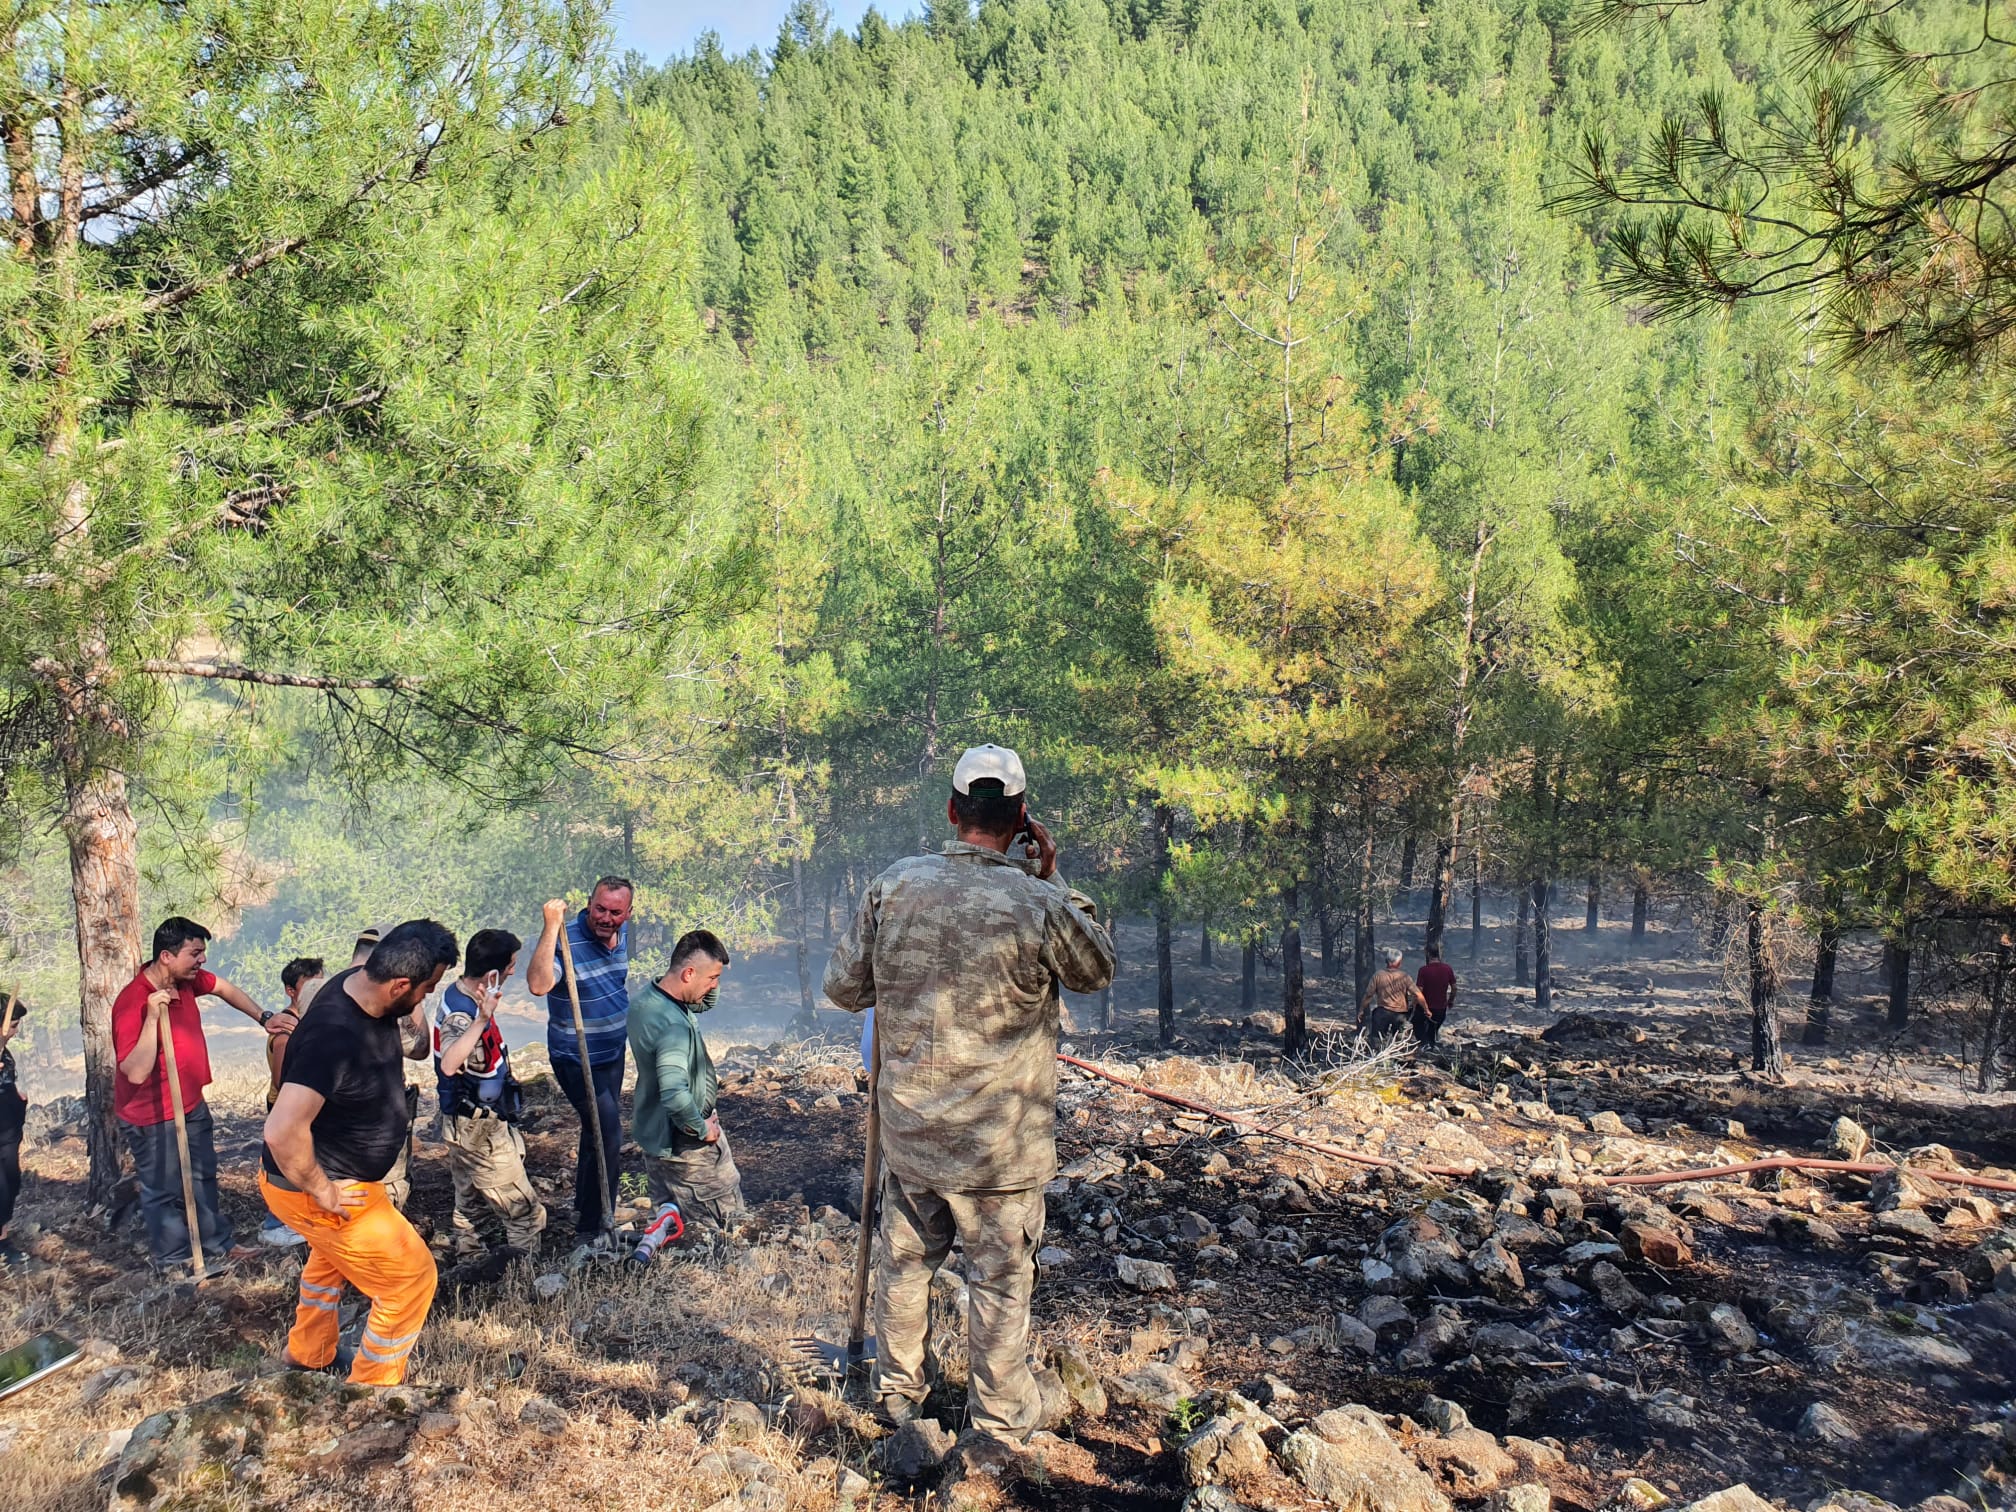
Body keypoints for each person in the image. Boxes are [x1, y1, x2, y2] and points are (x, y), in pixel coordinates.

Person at [823, 743, 1116, 1446]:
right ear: (1021, 819)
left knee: (905, 1270)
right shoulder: (1040, 901)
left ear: (953, 811)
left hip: (914, 1135)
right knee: (1000, 1284)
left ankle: (898, 1403)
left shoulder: (893, 886)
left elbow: (842, 988)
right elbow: (1096, 968)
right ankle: (997, 1422)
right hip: (1000, 1150)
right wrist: (1055, 877)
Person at [260, 920, 458, 1387]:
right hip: (319, 1186)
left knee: (329, 1261)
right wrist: (323, 1191)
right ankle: (372, 1391)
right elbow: (282, 1130)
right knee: (411, 1278)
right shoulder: (335, 1034)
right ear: (400, 984)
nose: (426, 998)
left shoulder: (359, 983)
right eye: (427, 989)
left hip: (344, 1178)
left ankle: (308, 1355)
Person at [112, 917, 288, 1274]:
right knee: (162, 1189)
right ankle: (175, 1259)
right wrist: (150, 1018)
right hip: (150, 1115)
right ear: (166, 956)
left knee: (203, 1174)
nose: (202, 961)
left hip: (190, 1103)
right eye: (195, 953)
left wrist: (263, 1017)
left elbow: (223, 987)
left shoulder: (187, 981)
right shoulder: (131, 1002)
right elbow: (135, 1071)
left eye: (202, 952)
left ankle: (217, 1243)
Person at [526, 878, 634, 1240]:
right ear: (590, 904)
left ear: (628, 914)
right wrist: (551, 926)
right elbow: (539, 984)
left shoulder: (623, 934)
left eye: (615, 912)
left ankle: (585, 1208)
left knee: (596, 1132)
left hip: (612, 1052)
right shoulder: (565, 940)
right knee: (609, 1132)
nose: (605, 918)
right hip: (576, 1056)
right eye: (599, 908)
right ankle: (595, 1225)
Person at [434, 929, 545, 1258]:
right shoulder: (463, 1012)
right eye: (510, 966)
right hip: (477, 1128)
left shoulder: (466, 996)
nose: (514, 971)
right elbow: (450, 1063)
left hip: (468, 1120)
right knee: (525, 1212)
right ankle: (526, 1282)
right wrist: (482, 1019)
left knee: (469, 1204)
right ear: (492, 974)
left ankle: (471, 1261)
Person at [629, 929, 745, 1243]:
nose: (714, 986)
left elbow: (701, 1002)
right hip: (688, 1151)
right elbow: (674, 1092)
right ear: (688, 973)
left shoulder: (649, 1000)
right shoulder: (673, 1026)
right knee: (724, 1231)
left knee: (667, 1230)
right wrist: (700, 1128)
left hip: (657, 1137)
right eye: (712, 979)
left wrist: (716, 968)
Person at [260, 957, 326, 1247]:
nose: (317, 989)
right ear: (290, 990)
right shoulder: (286, 1031)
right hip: (287, 1108)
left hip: (302, 1107)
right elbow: (281, 1080)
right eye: (309, 984)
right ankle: (276, 1225)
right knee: (285, 1167)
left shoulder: (310, 1021)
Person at [1358, 946, 1428, 1046]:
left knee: (1377, 1039)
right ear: (1399, 963)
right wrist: (1426, 1009)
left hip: (1382, 1012)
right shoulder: (1404, 977)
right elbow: (1417, 994)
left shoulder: (1378, 975)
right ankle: (1397, 1057)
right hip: (1400, 1014)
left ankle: (1378, 1056)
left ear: (1386, 961)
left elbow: (1368, 995)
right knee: (1399, 1042)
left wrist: (1361, 1009)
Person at [0, 997, 26, 1262]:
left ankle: (3, 1236)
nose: (15, 1030)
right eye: (13, 1024)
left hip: (8, 1130)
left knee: (11, 1181)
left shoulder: (5, 1051)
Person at [1414, 942, 1456, 1047]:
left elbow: (1419, 991)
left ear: (1427, 954)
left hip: (1425, 1009)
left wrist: (1413, 1004)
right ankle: (1430, 1046)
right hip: (1441, 1009)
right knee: (1432, 1030)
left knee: (1418, 1026)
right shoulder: (1447, 969)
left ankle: (1426, 1047)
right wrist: (1450, 1001)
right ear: (1439, 954)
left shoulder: (1423, 970)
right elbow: (1454, 988)